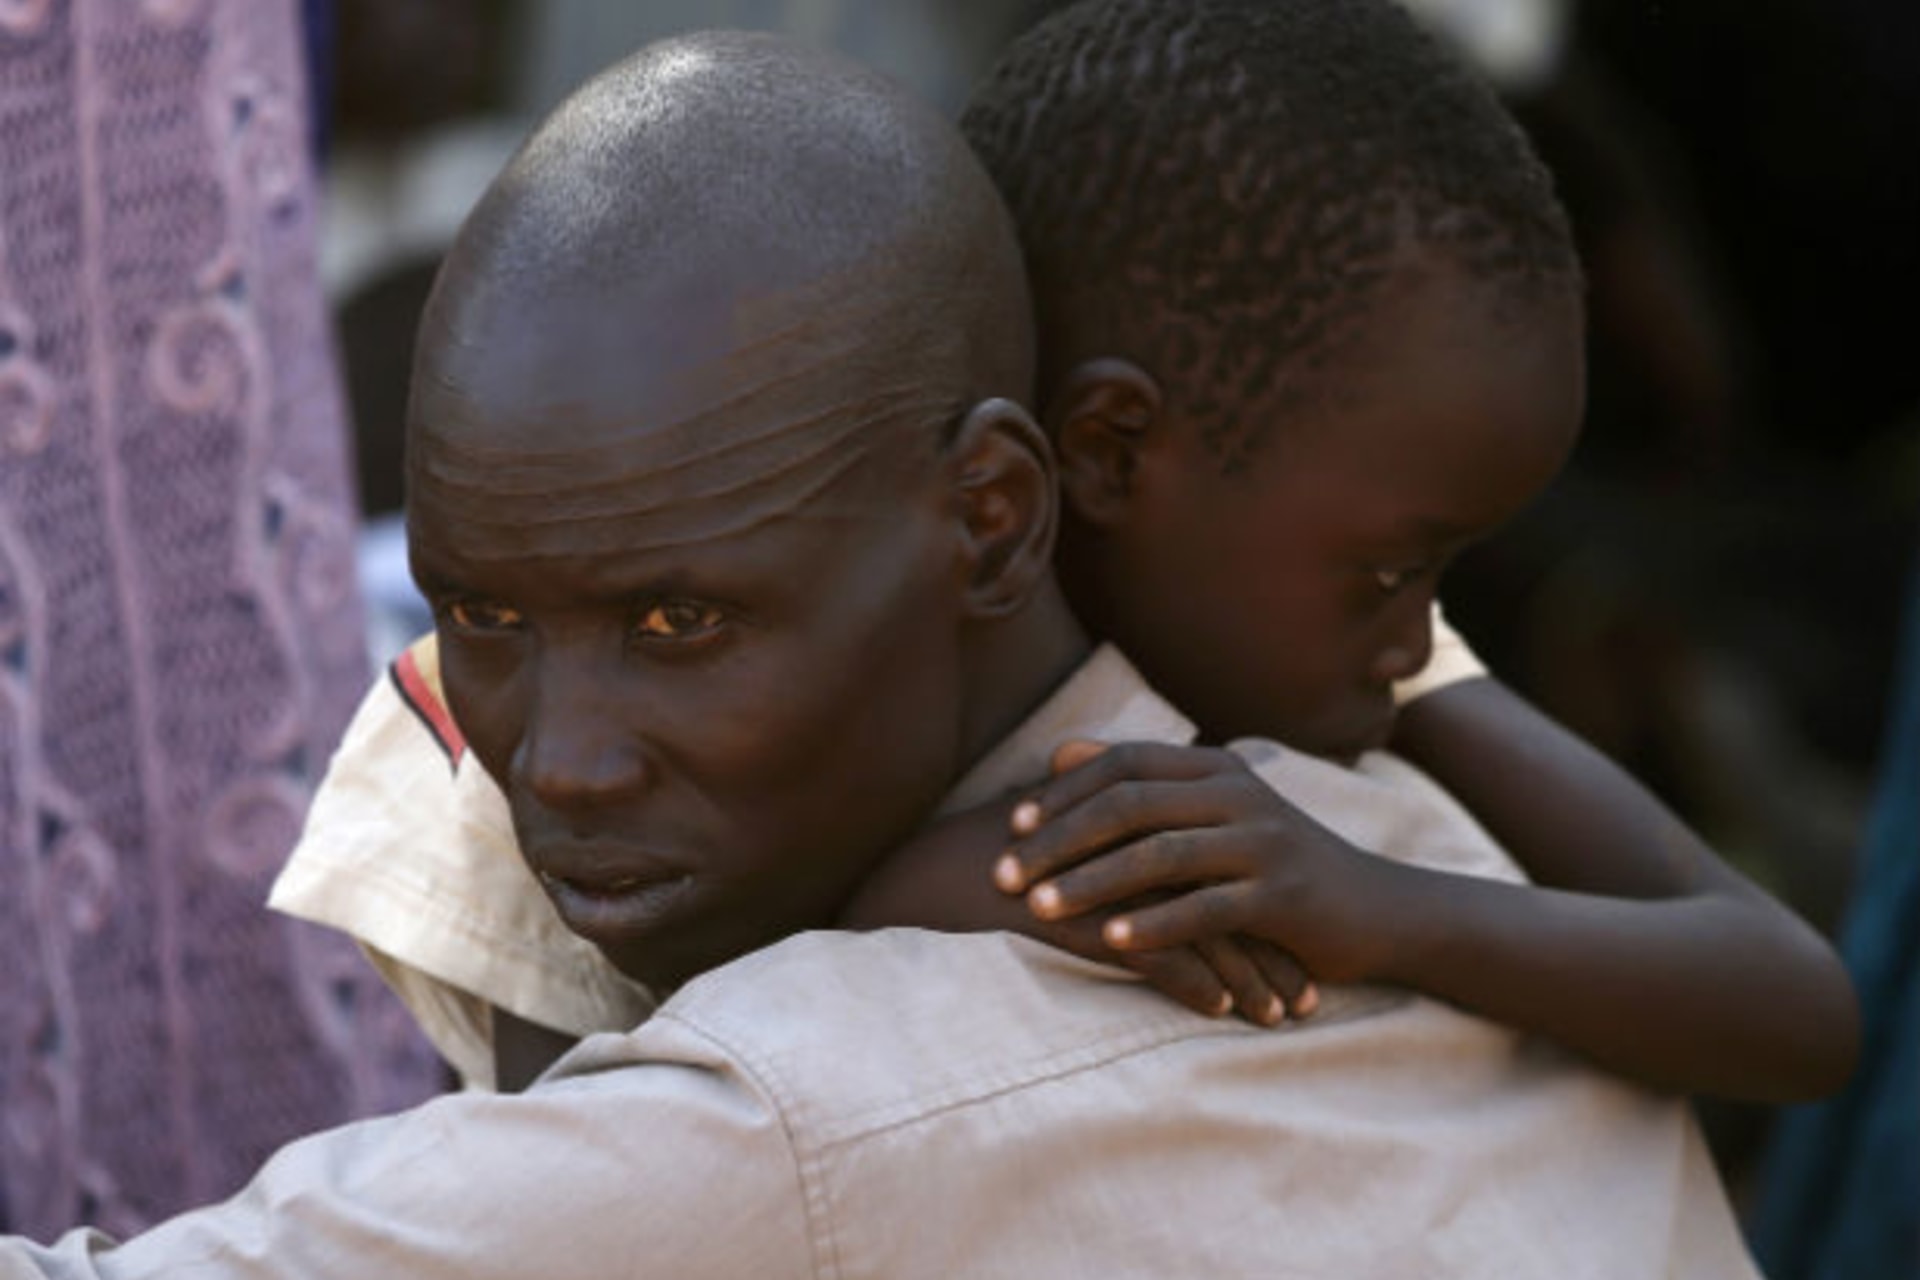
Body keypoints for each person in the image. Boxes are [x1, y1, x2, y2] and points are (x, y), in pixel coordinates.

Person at [4, 27, 1761, 1276]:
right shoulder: (1426, 839)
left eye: (685, 625)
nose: (561, 759)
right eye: (477, 617)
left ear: (1004, 515)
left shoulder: (797, 1111)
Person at [276, 0, 1854, 1112]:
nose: (1414, 634)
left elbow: (1787, 1006)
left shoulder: (1367, 659)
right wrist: (920, 899)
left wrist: (1378, 903)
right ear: (1071, 476)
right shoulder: (584, 711)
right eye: (1385, 571)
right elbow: (605, 1165)